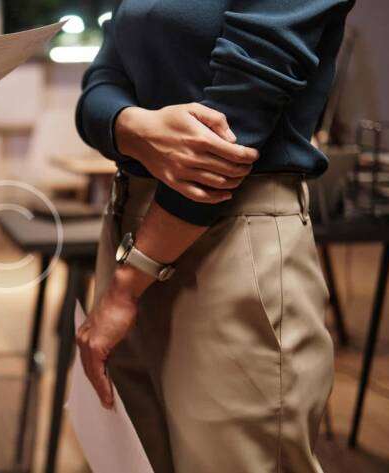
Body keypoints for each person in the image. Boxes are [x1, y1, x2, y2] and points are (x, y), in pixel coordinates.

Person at [75, 1, 354, 472]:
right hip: (129, 228)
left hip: (231, 234)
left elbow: (232, 127)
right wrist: (136, 128)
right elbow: (97, 89)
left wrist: (128, 283)